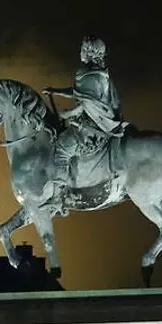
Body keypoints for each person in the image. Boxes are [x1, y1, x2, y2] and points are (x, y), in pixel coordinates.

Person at [42, 36, 128, 215]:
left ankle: (57, 197)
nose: (80, 51)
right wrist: (56, 91)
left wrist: (68, 114)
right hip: (95, 122)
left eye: (83, 49)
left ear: (90, 53)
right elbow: (79, 94)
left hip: (92, 128)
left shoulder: (89, 75)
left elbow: (85, 104)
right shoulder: (98, 74)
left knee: (61, 148)